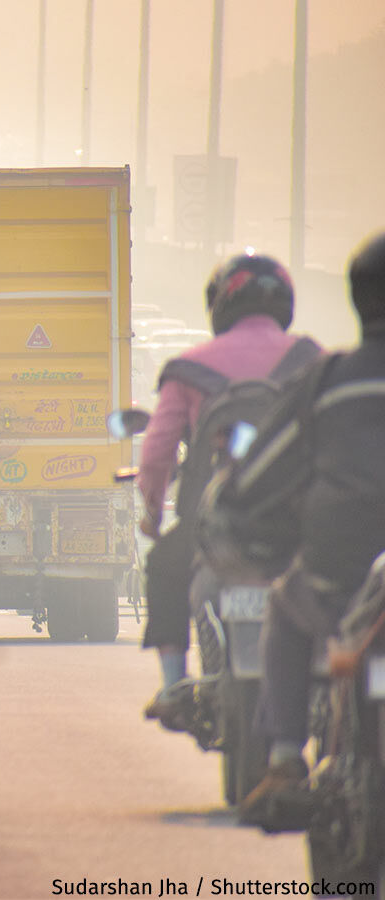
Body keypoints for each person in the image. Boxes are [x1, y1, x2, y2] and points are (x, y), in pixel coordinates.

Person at [219, 232, 385, 827]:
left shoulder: (328, 380)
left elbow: (258, 478)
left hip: (336, 583)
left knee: (285, 607)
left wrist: (242, 521)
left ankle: (286, 758)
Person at [135, 251, 318, 723]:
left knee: (165, 566)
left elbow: (155, 456)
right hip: (298, 522)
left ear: (219, 305)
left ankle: (174, 682)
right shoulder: (311, 359)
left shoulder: (188, 369)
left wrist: (153, 517)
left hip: (213, 527)